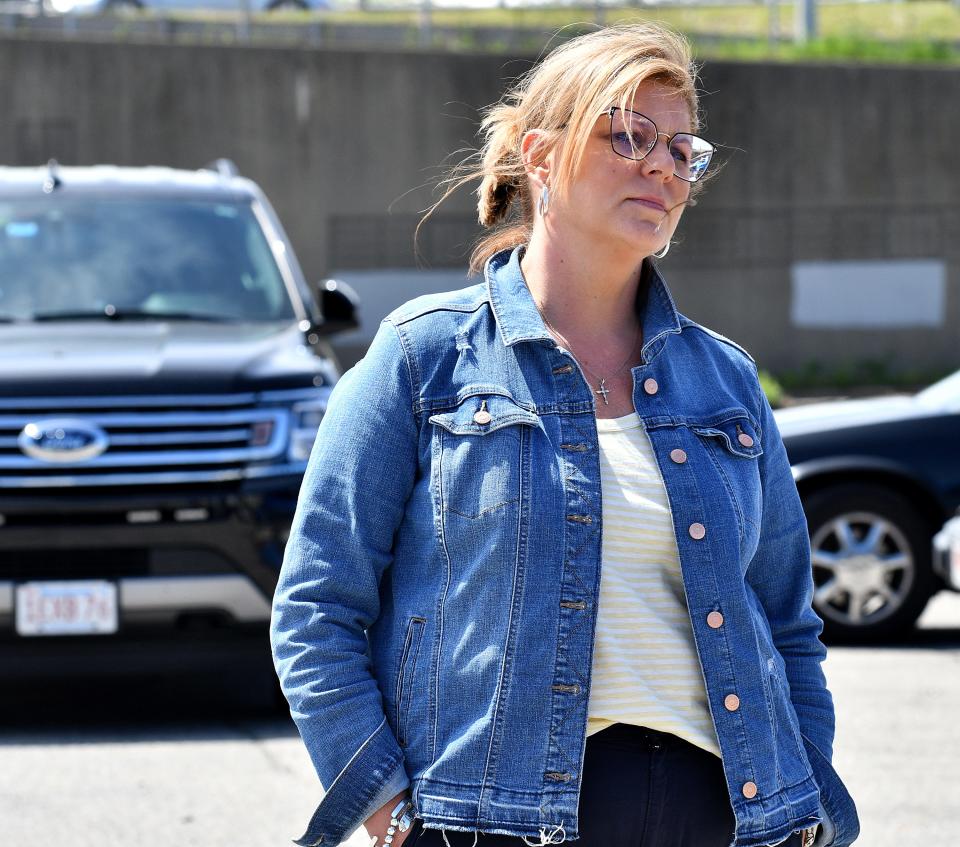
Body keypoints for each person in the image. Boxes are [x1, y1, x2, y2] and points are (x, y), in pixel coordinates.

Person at [270, 22, 860, 847]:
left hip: (725, 816)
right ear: (541, 156)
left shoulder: (725, 382)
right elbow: (317, 607)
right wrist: (388, 810)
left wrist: (807, 806)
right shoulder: (423, 358)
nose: (662, 165)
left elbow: (787, 622)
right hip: (494, 822)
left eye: (683, 148)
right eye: (629, 134)